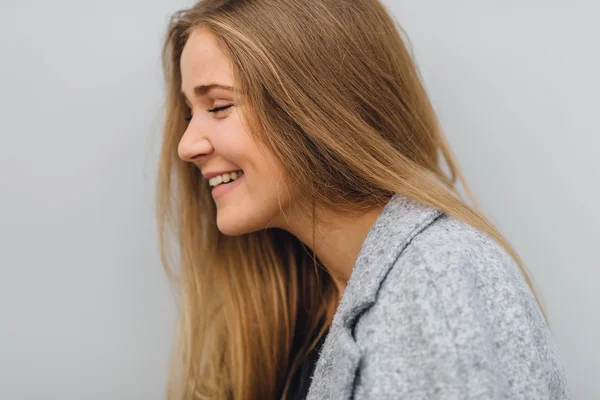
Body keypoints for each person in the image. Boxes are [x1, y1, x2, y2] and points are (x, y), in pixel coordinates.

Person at [156, 0, 569, 399]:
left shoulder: (438, 280)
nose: (186, 145)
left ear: (323, 107)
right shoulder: (305, 305)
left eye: (220, 105)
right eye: (191, 113)